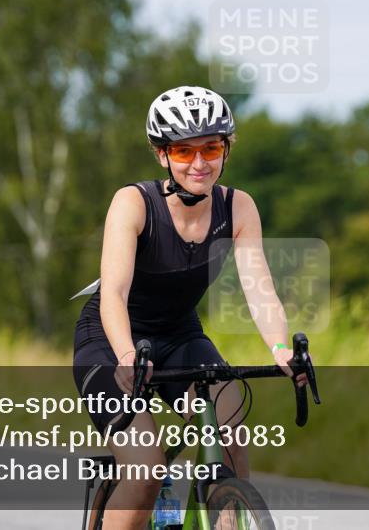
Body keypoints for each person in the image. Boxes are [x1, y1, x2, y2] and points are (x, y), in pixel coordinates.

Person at [72, 85, 306, 530]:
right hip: (111, 340)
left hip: (179, 336)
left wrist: (280, 349)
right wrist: (126, 357)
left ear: (226, 149)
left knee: (233, 429)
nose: (199, 163)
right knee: (145, 469)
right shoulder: (133, 203)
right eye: (183, 151)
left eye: (211, 148)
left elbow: (259, 288)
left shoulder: (238, 207)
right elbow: (115, 293)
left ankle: (225, 515)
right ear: (162, 155)